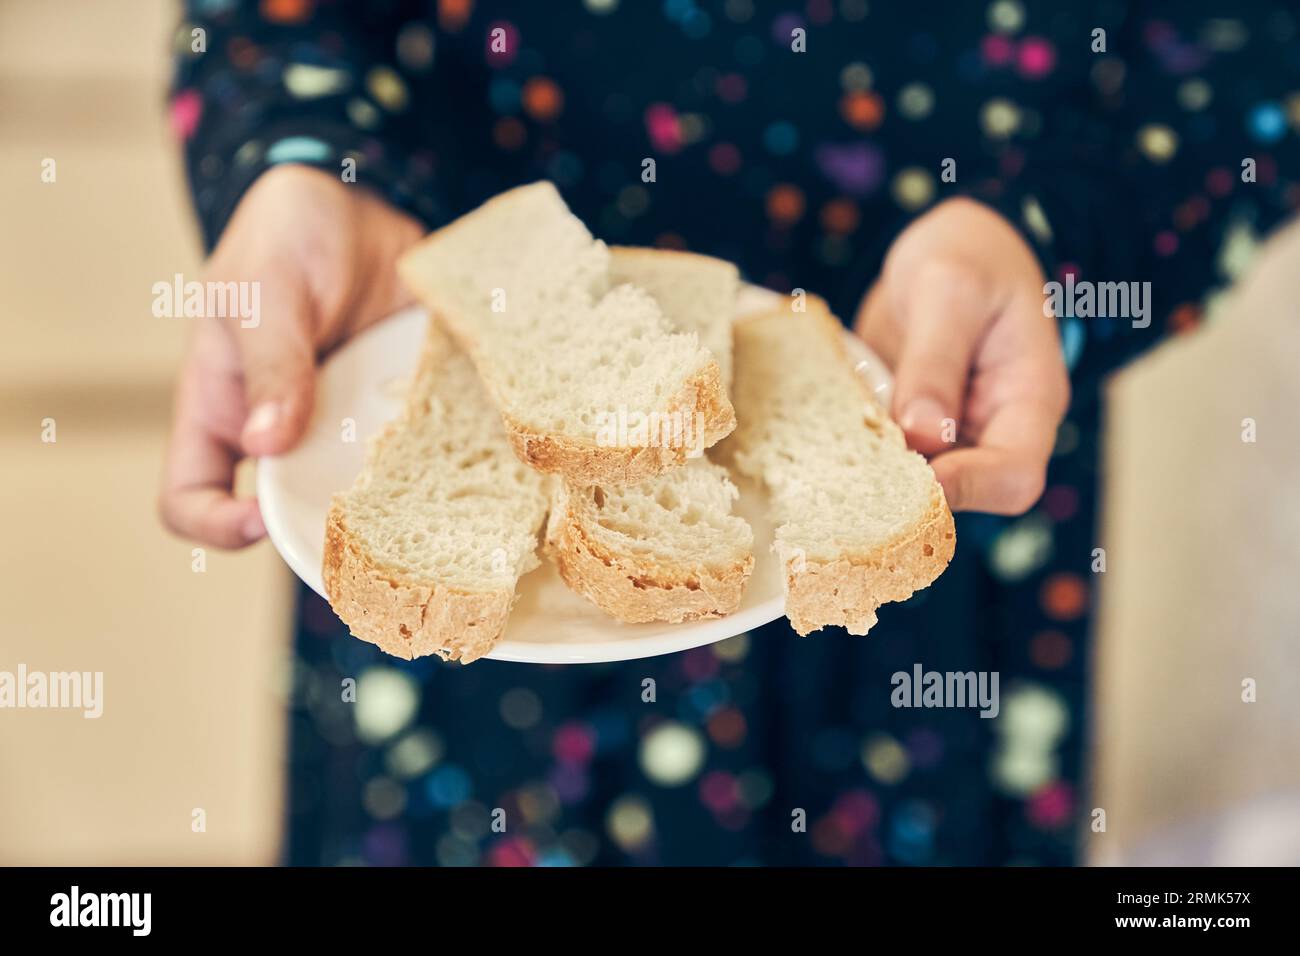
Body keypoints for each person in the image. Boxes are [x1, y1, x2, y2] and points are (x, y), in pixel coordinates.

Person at [161, 0, 1299, 865]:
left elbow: (1253, 38)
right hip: (459, 536)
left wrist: (1056, 232)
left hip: (925, 465)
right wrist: (295, 159)